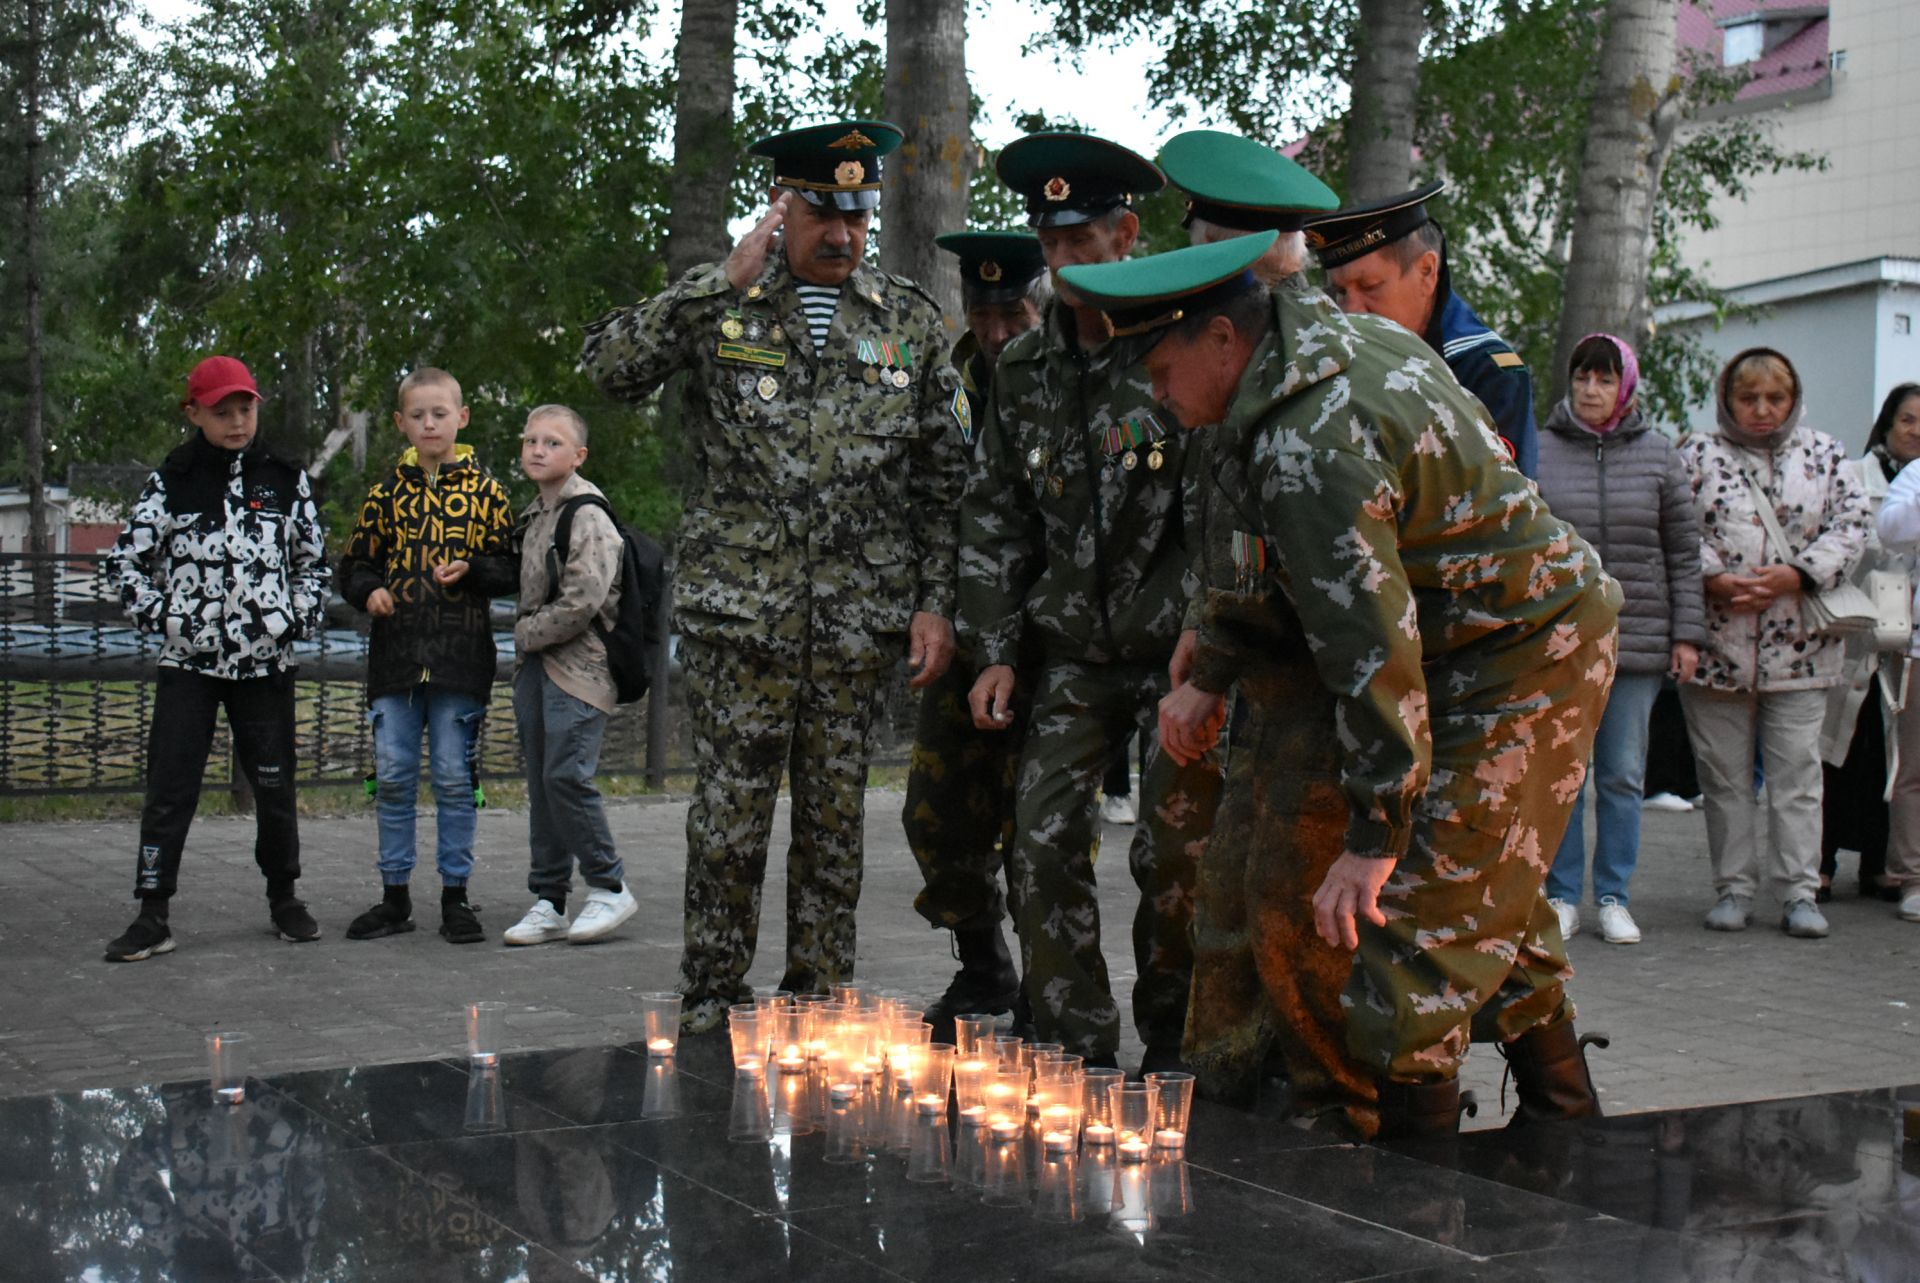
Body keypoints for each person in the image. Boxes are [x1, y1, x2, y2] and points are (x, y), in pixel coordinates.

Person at [1062, 232, 1620, 1144]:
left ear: (1220, 340)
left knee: (1405, 945)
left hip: (1525, 654)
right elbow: (1262, 568)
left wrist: (1374, 834)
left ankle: (1406, 1208)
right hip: (1462, 647)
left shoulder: (1311, 439)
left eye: (1161, 371)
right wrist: (1210, 675)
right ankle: (1572, 1138)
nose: (1156, 398)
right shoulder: (1283, 381)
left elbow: (1369, 651)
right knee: (1479, 904)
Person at [582, 121, 968, 1030]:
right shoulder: (725, 304)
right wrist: (721, 278)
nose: (843, 236)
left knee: (835, 823)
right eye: (825, 215)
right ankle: (715, 995)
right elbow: (608, 369)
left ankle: (818, 999)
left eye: (859, 217)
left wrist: (934, 602)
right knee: (729, 816)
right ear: (783, 209)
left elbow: (943, 480)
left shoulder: (908, 320)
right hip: (743, 620)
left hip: (856, 623)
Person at [959, 131, 1223, 1074]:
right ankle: (1073, 1046)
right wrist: (991, 647)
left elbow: (1216, 507)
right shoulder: (1023, 370)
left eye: (1083, 241)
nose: (1066, 262)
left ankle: (1178, 1045)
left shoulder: (1182, 343)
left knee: (1173, 856)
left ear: (1126, 235)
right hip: (1070, 650)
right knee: (1039, 842)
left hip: (1174, 656)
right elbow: (993, 515)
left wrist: (1205, 632)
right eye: (1053, 243)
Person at [1150, 129, 1374, 1127]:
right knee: (1233, 887)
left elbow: (1357, 603)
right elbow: (1232, 526)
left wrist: (1383, 823)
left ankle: (1345, 1105)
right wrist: (1210, 631)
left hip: (1348, 669)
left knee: (1309, 897)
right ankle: (1234, 1087)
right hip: (1276, 659)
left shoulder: (1313, 368)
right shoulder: (1229, 344)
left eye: (1215, 236)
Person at [104, 355, 331, 961]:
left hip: (265, 667)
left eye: (246, 408)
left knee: (275, 786)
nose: (236, 421)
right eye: (222, 411)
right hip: (189, 668)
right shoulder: (171, 479)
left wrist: (295, 619)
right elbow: (124, 564)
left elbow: (314, 562)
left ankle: (285, 897)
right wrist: (171, 622)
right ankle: (153, 911)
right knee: (171, 787)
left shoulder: (286, 477)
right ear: (194, 413)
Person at [900, 229, 1048, 1040]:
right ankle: (984, 961)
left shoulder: (1067, 372)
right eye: (983, 312)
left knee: (1039, 822)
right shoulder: (947, 379)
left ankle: (1048, 985)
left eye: (1013, 312)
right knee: (935, 810)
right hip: (961, 629)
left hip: (1046, 635)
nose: (996, 330)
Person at [1678, 348, 1870, 940]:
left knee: (1797, 778)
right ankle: (1733, 888)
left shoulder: (1826, 454)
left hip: (1804, 646)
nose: (1762, 410)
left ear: (1792, 399)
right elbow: (1674, 524)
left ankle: (1798, 892)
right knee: (1725, 780)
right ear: (1727, 401)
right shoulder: (1696, 454)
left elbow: (1855, 522)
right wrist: (1712, 575)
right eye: (1748, 398)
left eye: (1775, 398)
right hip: (1717, 644)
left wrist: (1801, 573)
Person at [336, 368, 518, 945]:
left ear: (461, 418)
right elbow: (354, 565)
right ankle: (394, 898)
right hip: (395, 659)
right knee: (392, 775)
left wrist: (475, 571)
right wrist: (369, 591)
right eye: (418, 415)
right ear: (401, 424)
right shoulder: (385, 495)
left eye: (440, 413)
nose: (430, 423)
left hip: (460, 659)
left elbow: (511, 567)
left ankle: (456, 897)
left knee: (452, 777)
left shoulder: (487, 493)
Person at [1537, 335, 1704, 946]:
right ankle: (1560, 895)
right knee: (1564, 777)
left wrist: (1687, 635)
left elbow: (1684, 554)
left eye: (1605, 379)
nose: (1590, 389)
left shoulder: (1660, 455)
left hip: (1637, 641)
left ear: (1625, 386)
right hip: (1560, 644)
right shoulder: (1540, 449)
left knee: (1622, 776)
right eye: (1582, 376)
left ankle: (1613, 897)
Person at [502, 405, 637, 947]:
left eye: (552, 443)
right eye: (530, 440)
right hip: (538, 667)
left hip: (582, 668)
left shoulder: (588, 514)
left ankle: (609, 886)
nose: (538, 450)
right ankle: (549, 898)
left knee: (565, 777)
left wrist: (527, 633)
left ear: (578, 455)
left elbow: (584, 598)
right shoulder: (537, 512)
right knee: (543, 784)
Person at [1304, 180, 1539, 478]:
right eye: (1339, 292)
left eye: (1370, 287)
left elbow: (1502, 502)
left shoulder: (1488, 372)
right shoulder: (1329, 356)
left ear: (1427, 272)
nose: (1350, 309)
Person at [1819, 383, 1920, 905]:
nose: (1916, 430)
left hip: (1905, 644)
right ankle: (1822, 862)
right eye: (1907, 419)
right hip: (1856, 634)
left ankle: (1882, 865)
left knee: (1895, 762)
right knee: (1838, 753)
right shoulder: (1855, 477)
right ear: (1886, 424)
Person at [1862, 384, 1920, 926]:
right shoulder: (1914, 476)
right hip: (1915, 648)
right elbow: (1892, 529)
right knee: (1913, 767)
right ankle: (1912, 875)